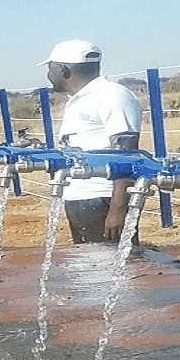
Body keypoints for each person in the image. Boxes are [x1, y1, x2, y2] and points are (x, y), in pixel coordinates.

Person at [38, 39, 144, 243]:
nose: (48, 75)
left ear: (62, 69)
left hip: (102, 198)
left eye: (50, 69)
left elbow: (127, 153)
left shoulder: (112, 95)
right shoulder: (82, 98)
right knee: (90, 265)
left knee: (110, 265)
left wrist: (118, 208)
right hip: (80, 196)